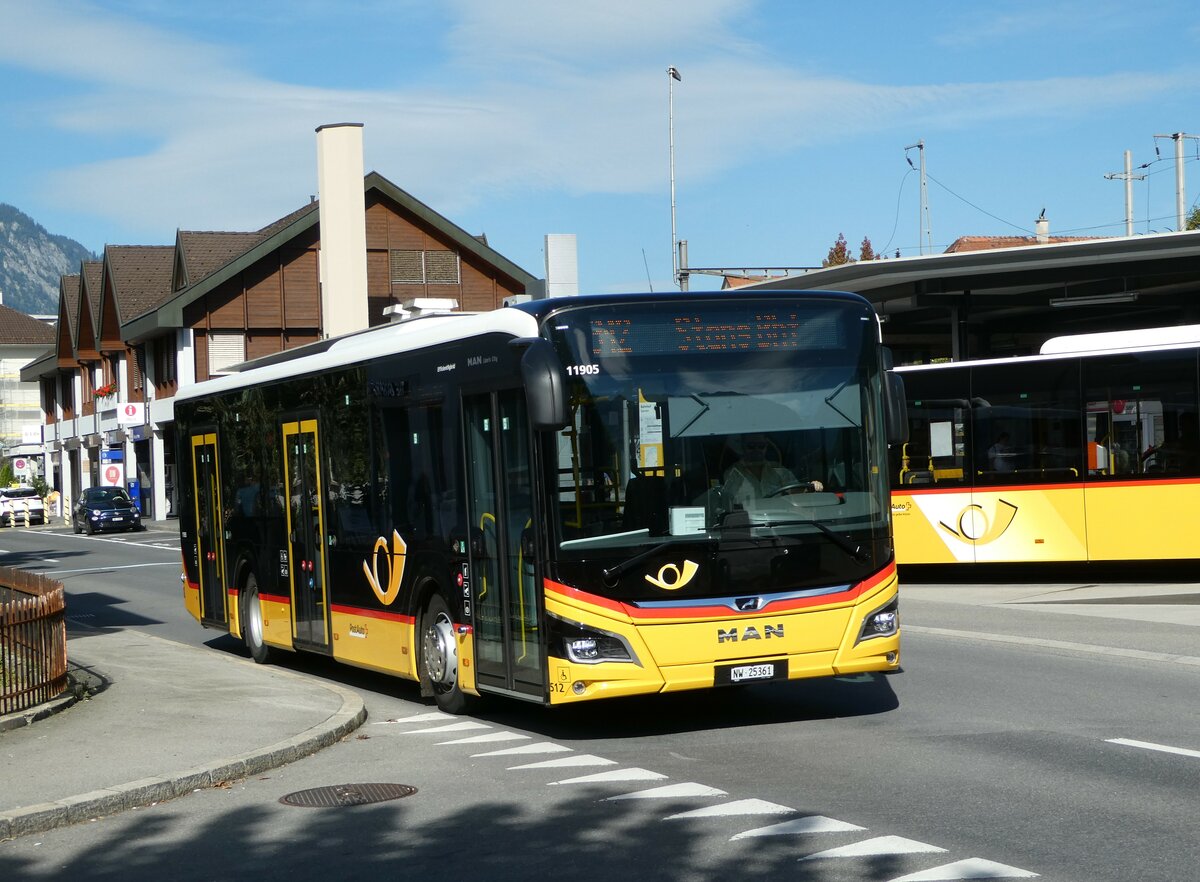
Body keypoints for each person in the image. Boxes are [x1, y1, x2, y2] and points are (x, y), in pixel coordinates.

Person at [722, 434, 822, 506]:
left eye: (761, 446)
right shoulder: (733, 473)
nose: (757, 450)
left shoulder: (778, 470)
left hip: (778, 523)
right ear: (743, 446)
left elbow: (795, 492)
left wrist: (810, 487)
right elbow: (726, 504)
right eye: (751, 446)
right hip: (748, 526)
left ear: (766, 447)